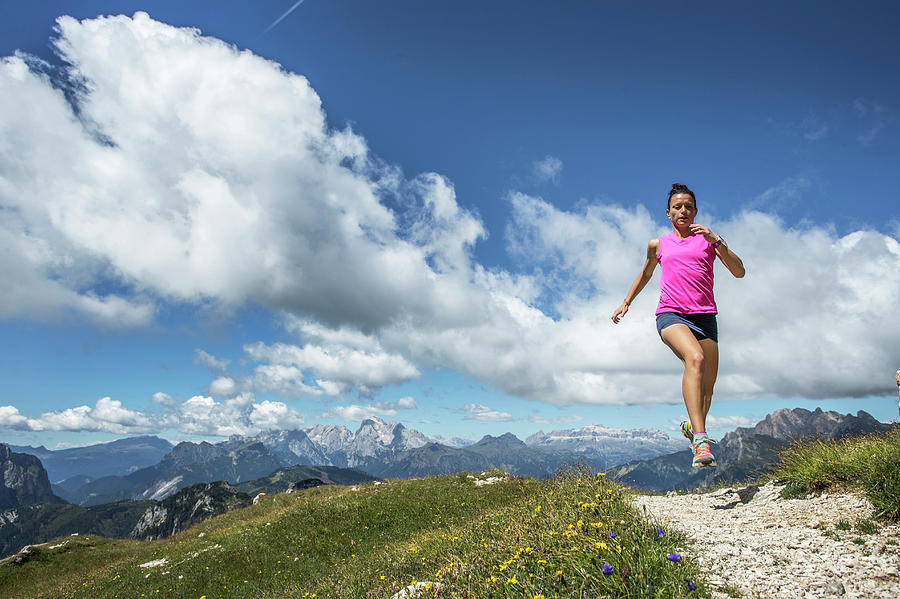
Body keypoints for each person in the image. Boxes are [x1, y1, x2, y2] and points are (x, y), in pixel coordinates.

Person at [612, 183, 745, 468]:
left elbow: (739, 271)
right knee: (694, 359)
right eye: (677, 207)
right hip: (671, 315)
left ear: (695, 211)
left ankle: (690, 426)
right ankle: (700, 441)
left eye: (688, 207)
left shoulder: (709, 241)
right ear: (668, 213)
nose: (683, 211)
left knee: (707, 388)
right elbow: (646, 274)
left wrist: (717, 239)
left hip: (706, 316)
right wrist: (627, 302)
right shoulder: (657, 244)